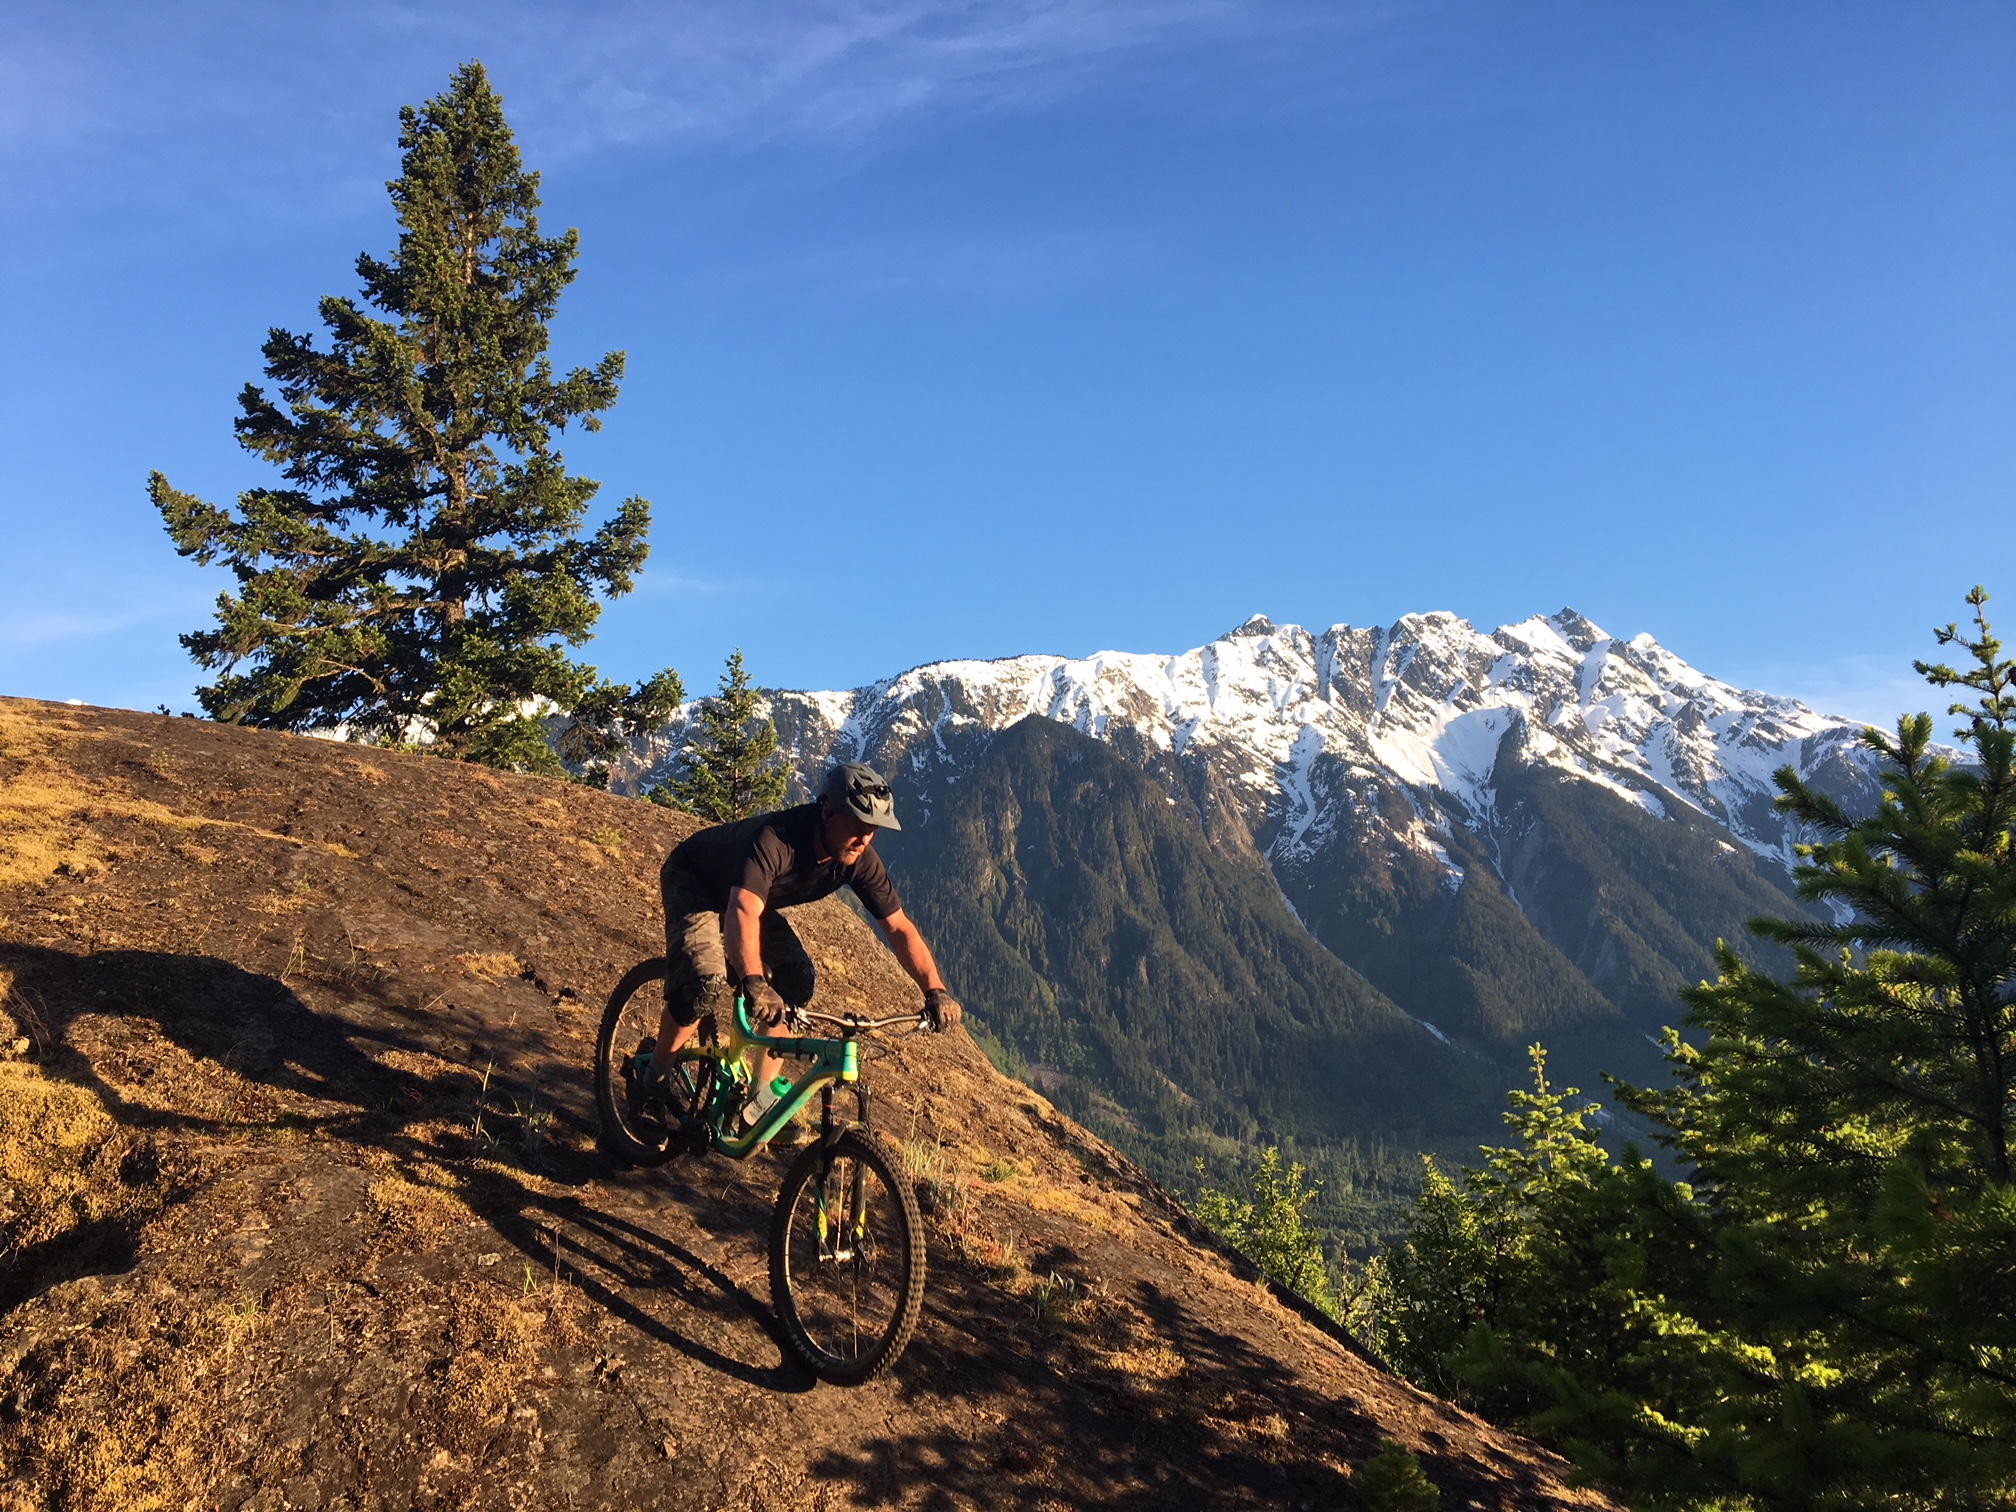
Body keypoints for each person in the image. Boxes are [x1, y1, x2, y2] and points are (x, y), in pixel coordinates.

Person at [647, 761, 962, 1128]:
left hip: (749, 900)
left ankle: (758, 1103)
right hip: (696, 881)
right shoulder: (776, 840)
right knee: (703, 984)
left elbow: (898, 927)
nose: (865, 840)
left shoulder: (859, 859)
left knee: (795, 979)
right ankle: (653, 1081)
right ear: (827, 812)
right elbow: (743, 909)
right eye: (858, 827)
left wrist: (935, 989)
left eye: (873, 830)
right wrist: (753, 980)